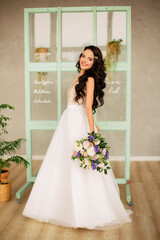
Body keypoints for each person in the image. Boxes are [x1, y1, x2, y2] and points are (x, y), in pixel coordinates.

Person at [22, 45, 133, 230]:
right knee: (65, 161)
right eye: (84, 56)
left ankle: (84, 211)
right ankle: (62, 206)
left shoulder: (89, 79)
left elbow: (88, 107)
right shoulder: (79, 76)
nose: (85, 60)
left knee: (80, 163)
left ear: (95, 63)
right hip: (68, 121)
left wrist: (91, 133)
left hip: (77, 122)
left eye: (90, 58)